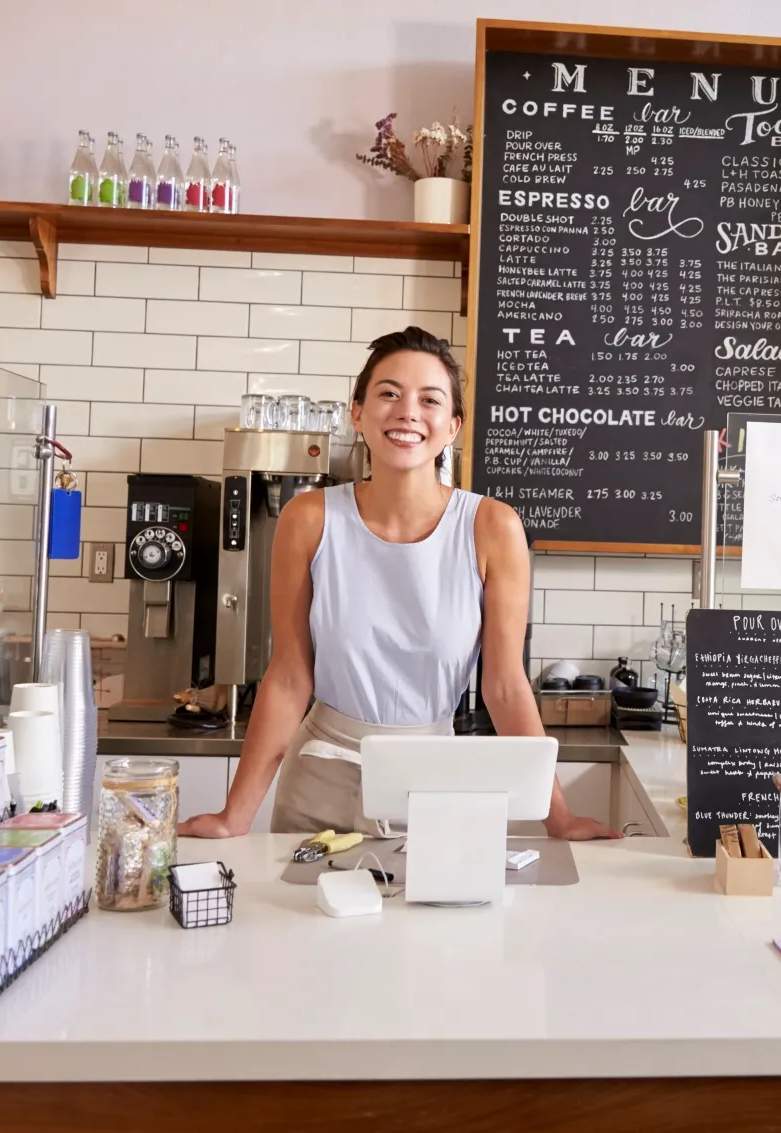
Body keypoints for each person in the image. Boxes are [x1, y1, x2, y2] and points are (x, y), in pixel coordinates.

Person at [178, 326, 619, 842]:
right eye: (388, 393)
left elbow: (503, 686)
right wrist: (235, 816)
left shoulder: (493, 528)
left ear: (452, 426)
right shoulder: (309, 519)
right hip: (320, 779)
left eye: (429, 400)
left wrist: (558, 817)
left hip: (430, 782)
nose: (408, 412)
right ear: (357, 412)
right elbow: (290, 676)